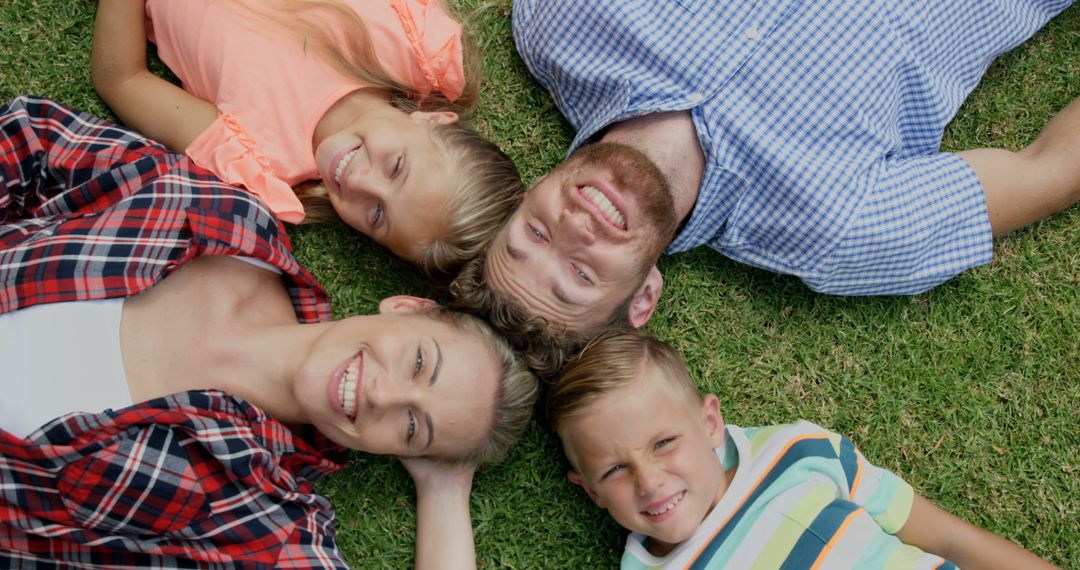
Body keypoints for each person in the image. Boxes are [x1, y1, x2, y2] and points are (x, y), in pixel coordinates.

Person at [0, 96, 539, 568]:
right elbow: (34, 136)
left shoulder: (258, 514)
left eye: (411, 427)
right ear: (408, 309)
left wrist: (444, 488)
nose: (382, 393)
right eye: (420, 363)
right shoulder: (229, 221)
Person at [451, 0, 1080, 375]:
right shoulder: (835, 228)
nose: (574, 229)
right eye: (582, 276)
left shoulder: (564, 23)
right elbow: (1046, 170)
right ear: (643, 297)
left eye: (534, 232)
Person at [546, 329, 1058, 569]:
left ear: (709, 422)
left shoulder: (798, 452)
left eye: (663, 443)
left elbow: (950, 539)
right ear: (590, 491)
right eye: (615, 469)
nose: (649, 480)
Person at [91, 0, 523, 276]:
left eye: (376, 215)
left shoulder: (259, 159)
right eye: (397, 168)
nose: (360, 183)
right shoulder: (405, 39)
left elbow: (123, 79)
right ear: (434, 122)